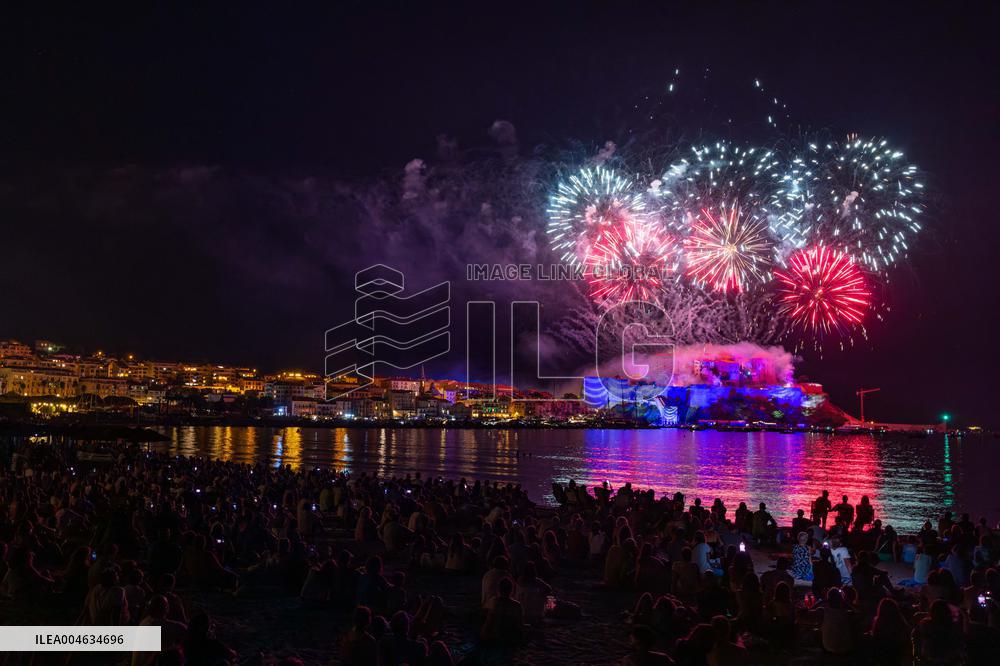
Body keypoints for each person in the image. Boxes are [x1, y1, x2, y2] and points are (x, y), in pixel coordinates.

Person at [912, 599, 963, 664]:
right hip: (948, 661)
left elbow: (917, 642)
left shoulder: (924, 625)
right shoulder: (952, 626)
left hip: (928, 661)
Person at [480, 577, 523, 645]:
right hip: (508, 638)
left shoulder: (492, 601)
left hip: (491, 637)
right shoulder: (516, 605)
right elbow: (520, 625)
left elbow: (483, 614)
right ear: (511, 590)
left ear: (498, 589)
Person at [867, 597, 909, 665]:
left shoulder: (879, 621)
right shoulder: (900, 621)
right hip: (896, 651)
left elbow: (876, 636)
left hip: (882, 652)